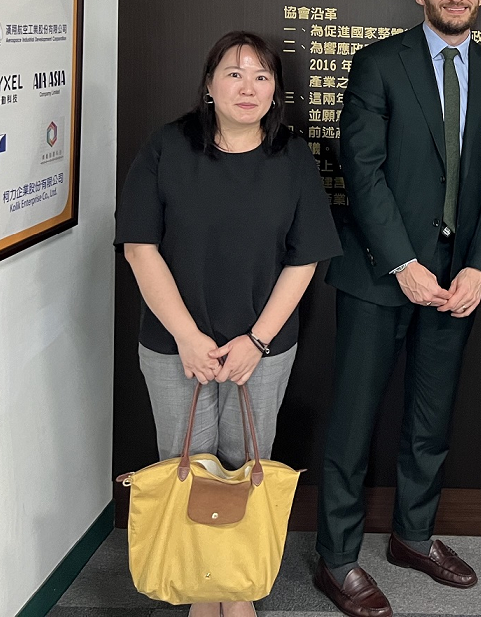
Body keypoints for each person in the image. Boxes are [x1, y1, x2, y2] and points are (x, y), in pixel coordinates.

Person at [313, 0, 481, 617]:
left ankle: (413, 535)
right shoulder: (379, 63)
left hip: (455, 284)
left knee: (430, 418)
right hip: (381, 275)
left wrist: (479, 267)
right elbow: (361, 168)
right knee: (353, 423)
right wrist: (402, 262)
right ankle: (337, 558)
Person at [115, 31, 341, 617]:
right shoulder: (167, 147)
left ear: (275, 91)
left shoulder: (292, 157)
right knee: (187, 462)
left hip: (261, 346)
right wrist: (188, 338)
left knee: (246, 463)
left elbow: (305, 259)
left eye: (262, 76)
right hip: (175, 344)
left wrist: (257, 341)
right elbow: (140, 248)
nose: (248, 87)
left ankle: (236, 590)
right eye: (234, 74)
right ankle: (202, 591)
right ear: (209, 85)